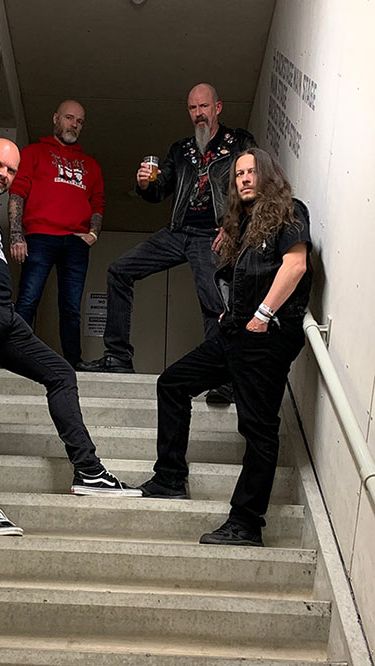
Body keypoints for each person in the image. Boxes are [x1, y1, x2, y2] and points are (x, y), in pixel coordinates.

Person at [0, 139, 139, 537]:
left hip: (3, 316)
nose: (2, 174)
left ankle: (88, 470)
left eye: (10, 170)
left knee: (61, 373)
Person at [137, 148, 312, 548]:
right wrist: (231, 313)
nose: (245, 179)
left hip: (267, 336)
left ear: (268, 175)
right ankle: (169, 478)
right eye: (238, 174)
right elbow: (239, 277)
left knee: (258, 429)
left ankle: (246, 524)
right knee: (173, 383)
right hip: (236, 332)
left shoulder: (289, 211)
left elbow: (296, 265)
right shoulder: (243, 223)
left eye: (252, 172)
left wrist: (262, 315)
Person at [78, 83, 256, 400]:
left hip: (212, 234)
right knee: (119, 270)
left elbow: (254, 184)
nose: (198, 114)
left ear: (217, 108)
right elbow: (160, 189)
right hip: (178, 232)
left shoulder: (239, 143)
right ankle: (118, 356)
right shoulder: (181, 149)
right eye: (192, 108)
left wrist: (234, 226)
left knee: (214, 303)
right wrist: (145, 184)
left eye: (204, 107)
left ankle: (224, 378)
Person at [8, 100, 104, 369]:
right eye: (69, 118)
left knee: (71, 308)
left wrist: (93, 234)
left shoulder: (91, 165)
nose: (74, 125)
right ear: (55, 118)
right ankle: (13, 358)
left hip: (76, 241)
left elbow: (98, 203)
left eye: (79, 121)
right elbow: (17, 192)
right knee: (28, 300)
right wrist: (16, 235)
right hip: (40, 235)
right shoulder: (33, 152)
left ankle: (73, 363)